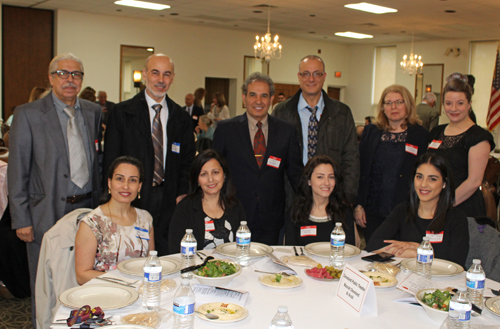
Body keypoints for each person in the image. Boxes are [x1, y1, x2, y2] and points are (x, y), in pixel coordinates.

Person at [8, 53, 101, 324]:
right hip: (44, 212)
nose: (70, 80)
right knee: (45, 283)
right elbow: (17, 170)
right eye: (63, 73)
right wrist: (22, 219)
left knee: (82, 277)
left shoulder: (93, 112)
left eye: (76, 74)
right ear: (50, 78)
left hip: (86, 210)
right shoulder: (28, 114)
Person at [104, 54, 195, 255]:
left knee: (165, 255)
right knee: (132, 254)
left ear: (172, 78)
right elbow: (110, 160)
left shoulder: (182, 118)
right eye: (155, 73)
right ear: (145, 74)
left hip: (169, 199)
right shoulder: (122, 113)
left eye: (166, 74)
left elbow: (188, 161)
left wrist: (182, 192)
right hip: (132, 196)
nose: (161, 80)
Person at [213, 72, 303, 245]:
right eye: (252, 95)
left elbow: (296, 174)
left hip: (272, 218)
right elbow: (214, 170)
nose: (258, 101)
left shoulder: (287, 131)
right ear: (244, 98)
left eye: (264, 96)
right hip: (232, 214)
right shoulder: (226, 130)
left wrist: (317, 202)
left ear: (271, 99)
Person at [273, 55, 359, 204]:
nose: (311, 79)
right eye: (306, 74)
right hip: (291, 197)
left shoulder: (342, 112)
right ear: (299, 77)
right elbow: (275, 156)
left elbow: (351, 158)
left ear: (324, 76)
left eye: (316, 73)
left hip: (331, 196)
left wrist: (347, 197)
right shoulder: (282, 112)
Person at [366, 153, 469, 268]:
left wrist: (417, 248)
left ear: (444, 183)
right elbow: (372, 245)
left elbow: (455, 263)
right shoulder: (403, 210)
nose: (423, 184)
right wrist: (414, 253)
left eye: (432, 179)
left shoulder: (456, 218)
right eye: (419, 177)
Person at [356, 85, 429, 242]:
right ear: (383, 107)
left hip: (407, 211)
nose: (393, 107)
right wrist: (358, 205)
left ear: (408, 104)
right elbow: (360, 170)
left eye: (399, 102)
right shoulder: (371, 132)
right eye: (388, 103)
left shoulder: (420, 135)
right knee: (373, 255)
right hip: (372, 210)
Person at [75, 156, 153, 284]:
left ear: (139, 187)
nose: (126, 186)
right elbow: (82, 276)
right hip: (104, 292)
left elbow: (150, 262)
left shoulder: (145, 219)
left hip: (140, 290)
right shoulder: (91, 223)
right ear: (109, 183)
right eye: (120, 179)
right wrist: (123, 281)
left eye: (132, 180)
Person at [427, 73, 495, 218]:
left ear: (469, 104)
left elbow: (474, 181)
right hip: (432, 203)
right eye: (448, 103)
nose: (454, 108)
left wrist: (443, 205)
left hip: (463, 208)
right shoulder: (436, 132)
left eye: (460, 103)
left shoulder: (478, 136)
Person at [168, 150, 245, 253]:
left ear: (224, 175)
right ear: (197, 180)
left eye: (215, 172)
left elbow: (244, 246)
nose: (210, 179)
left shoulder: (235, 206)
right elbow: (175, 251)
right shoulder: (185, 207)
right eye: (203, 174)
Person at [285, 155, 355, 246]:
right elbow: (290, 251)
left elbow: (351, 250)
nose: (326, 183)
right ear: (309, 181)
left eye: (331, 177)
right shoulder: (296, 212)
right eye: (320, 177)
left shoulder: (344, 212)